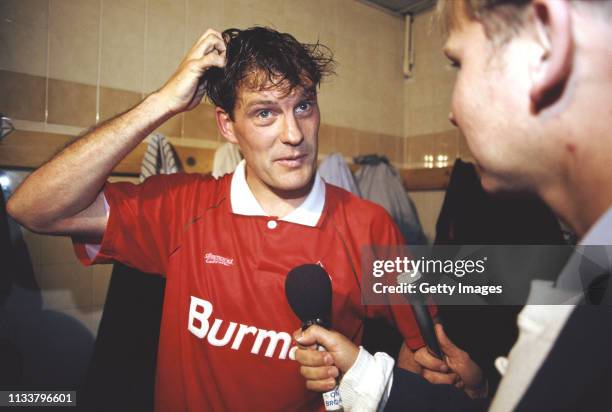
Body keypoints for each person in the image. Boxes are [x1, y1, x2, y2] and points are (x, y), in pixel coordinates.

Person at [6, 27, 432, 411]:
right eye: (265, 112)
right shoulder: (184, 208)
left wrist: (370, 388)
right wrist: (162, 103)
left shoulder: (368, 225)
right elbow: (32, 209)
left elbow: (425, 348)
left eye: (304, 105)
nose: (294, 134)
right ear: (227, 126)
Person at [294, 0, 612, 410]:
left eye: (459, 64)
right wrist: (482, 390)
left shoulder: (371, 220)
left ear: (546, 47)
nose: (452, 113)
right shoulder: (588, 269)